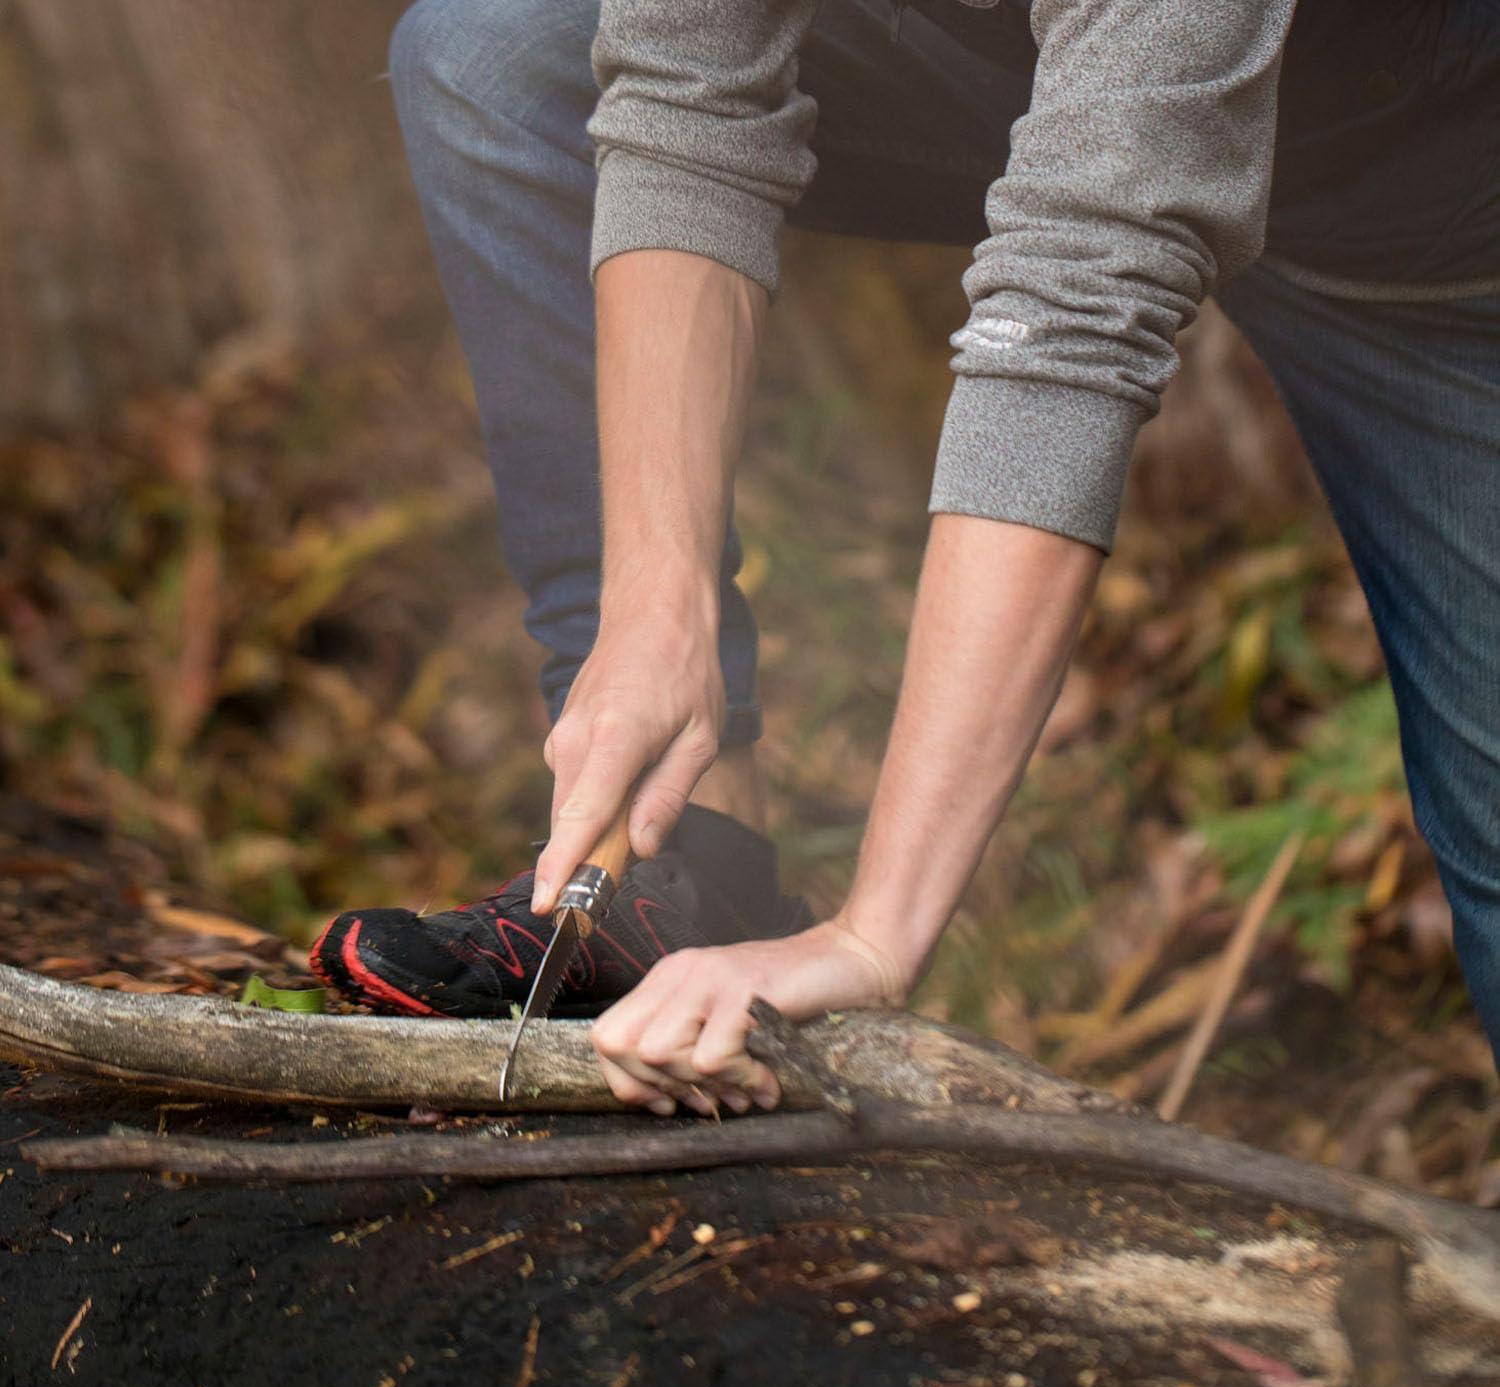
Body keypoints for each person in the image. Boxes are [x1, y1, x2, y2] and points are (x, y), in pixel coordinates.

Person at [312, 0, 1500, 1113]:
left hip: (1423, 216)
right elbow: (688, 97)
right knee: (501, 54)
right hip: (1051, 78)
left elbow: (1076, 305)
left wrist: (875, 933)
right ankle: (677, 868)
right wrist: (651, 607)